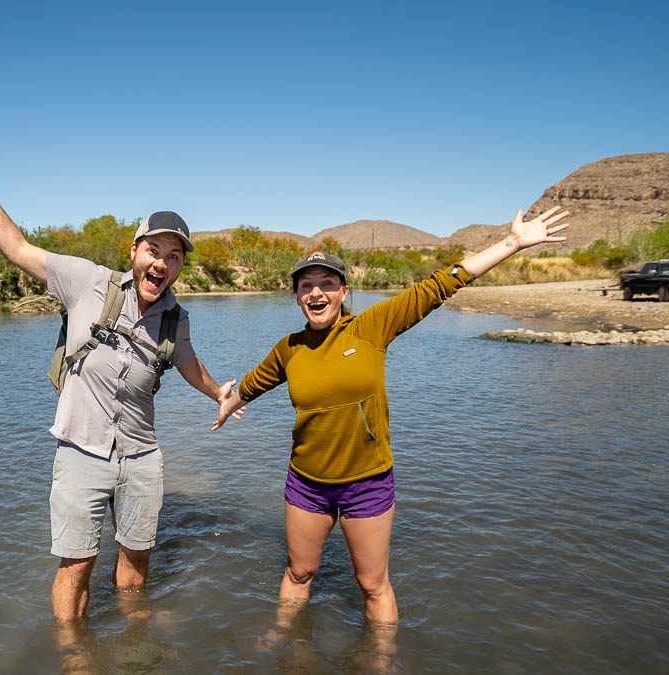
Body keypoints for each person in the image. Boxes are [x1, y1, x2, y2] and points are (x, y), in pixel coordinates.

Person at [0, 117, 243, 621]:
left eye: (173, 256)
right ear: (134, 251)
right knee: (76, 566)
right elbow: (15, 248)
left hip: (142, 456)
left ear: (181, 265)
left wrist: (219, 395)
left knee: (136, 564)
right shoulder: (86, 283)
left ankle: (131, 646)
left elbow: (189, 365)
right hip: (81, 450)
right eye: (153, 251)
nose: (161, 263)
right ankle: (74, 659)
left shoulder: (176, 319)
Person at [212, 207, 571, 624]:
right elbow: (255, 382)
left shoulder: (372, 328)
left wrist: (513, 243)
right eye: (306, 286)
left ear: (344, 291)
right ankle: (285, 645)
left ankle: (381, 659)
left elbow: (438, 286)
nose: (316, 293)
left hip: (367, 482)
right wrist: (228, 403)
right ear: (296, 296)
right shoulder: (288, 347)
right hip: (307, 484)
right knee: (299, 572)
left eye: (327, 284)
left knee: (373, 585)